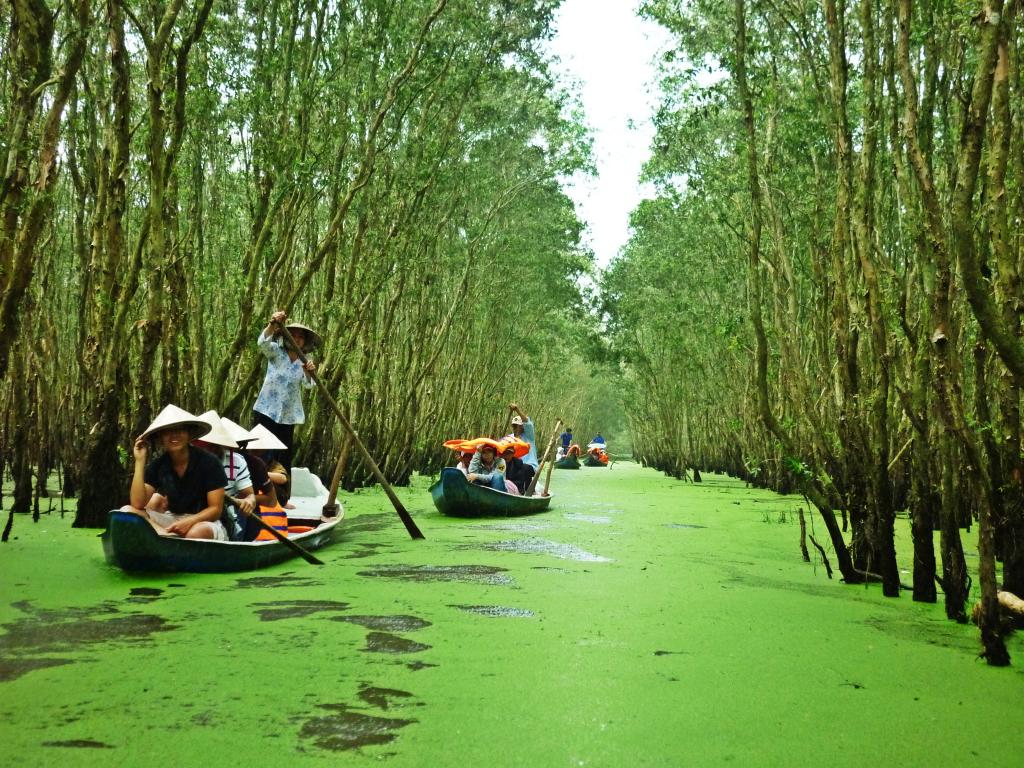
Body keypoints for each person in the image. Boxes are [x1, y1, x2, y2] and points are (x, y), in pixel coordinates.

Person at [125, 404, 228, 540]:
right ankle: (166, 536)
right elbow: (137, 504)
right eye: (168, 431)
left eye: (180, 430)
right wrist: (139, 461)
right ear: (161, 437)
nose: (174, 435)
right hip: (172, 520)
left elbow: (215, 509)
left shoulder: (210, 462)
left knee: (195, 533)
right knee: (127, 511)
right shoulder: (158, 465)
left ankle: (165, 538)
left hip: (205, 522)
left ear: (188, 434)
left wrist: (190, 521)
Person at [252, 309, 320, 478]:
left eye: (300, 337)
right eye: (293, 335)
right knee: (260, 450)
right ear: (285, 336)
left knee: (284, 453)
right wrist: (272, 324)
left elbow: (309, 385)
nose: (296, 339)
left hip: (288, 415)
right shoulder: (276, 351)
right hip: (266, 409)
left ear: (304, 342)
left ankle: (283, 496)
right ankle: (256, 488)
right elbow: (262, 343)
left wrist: (309, 372)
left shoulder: (305, 361)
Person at [194, 411, 258, 540]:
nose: (207, 450)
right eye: (202, 445)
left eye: (212, 446)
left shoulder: (237, 461)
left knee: (200, 531)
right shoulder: (182, 458)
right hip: (185, 514)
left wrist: (248, 502)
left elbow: (249, 496)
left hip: (222, 519)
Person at [505, 404, 538, 472]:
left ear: (523, 427)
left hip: (529, 465)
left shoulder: (529, 435)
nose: (516, 428)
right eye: (514, 426)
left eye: (519, 426)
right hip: (514, 466)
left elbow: (527, 422)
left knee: (524, 468)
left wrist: (517, 410)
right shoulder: (509, 438)